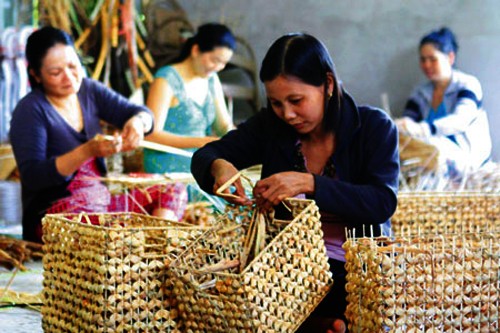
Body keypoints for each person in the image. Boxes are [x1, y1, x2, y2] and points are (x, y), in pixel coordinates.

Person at [191, 33, 400, 333]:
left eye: (296, 100)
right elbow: (207, 154)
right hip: (285, 268)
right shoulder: (271, 127)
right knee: (218, 293)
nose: (287, 114)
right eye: (276, 103)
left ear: (328, 84)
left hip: (354, 271)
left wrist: (311, 184)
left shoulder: (373, 127)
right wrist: (219, 166)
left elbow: (381, 202)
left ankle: (320, 322)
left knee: (319, 299)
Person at [9, 26, 186, 243]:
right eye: (56, 72)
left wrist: (138, 123)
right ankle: (123, 246)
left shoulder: (89, 91)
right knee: (97, 214)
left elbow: (141, 113)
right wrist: (87, 151)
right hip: (58, 216)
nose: (69, 77)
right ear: (36, 75)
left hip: (103, 204)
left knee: (170, 188)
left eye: (73, 66)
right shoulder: (30, 110)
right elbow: (33, 177)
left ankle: (155, 249)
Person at [396, 27, 492, 179]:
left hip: (467, 163)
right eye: (423, 60)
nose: (427, 65)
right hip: (433, 163)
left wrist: (422, 128)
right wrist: (403, 125)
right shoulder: (420, 93)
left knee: (434, 149)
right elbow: (409, 121)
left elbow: (460, 121)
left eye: (433, 59)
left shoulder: (467, 84)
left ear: (450, 58)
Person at [143, 22, 236, 174]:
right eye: (214, 60)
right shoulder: (166, 79)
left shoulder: (211, 79)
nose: (217, 67)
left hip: (200, 163)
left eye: (223, 63)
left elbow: (223, 125)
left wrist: (237, 139)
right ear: (195, 50)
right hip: (168, 168)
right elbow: (151, 135)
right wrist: (201, 142)